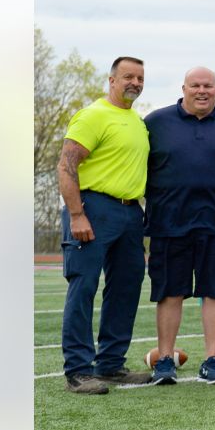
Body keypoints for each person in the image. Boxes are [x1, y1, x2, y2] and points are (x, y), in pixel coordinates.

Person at [144, 66, 215, 385]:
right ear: (184, 88)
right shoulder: (156, 122)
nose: (202, 91)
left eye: (208, 85)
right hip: (169, 223)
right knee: (169, 292)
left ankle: (212, 360)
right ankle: (165, 360)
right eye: (195, 85)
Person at [56, 56, 154, 394]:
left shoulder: (138, 122)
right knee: (83, 287)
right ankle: (79, 372)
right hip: (92, 207)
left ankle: (110, 365)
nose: (135, 83)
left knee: (126, 286)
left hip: (130, 214)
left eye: (140, 78)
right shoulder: (93, 115)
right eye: (128, 76)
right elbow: (67, 165)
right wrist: (76, 214)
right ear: (111, 80)